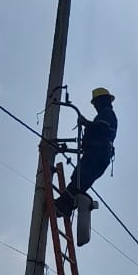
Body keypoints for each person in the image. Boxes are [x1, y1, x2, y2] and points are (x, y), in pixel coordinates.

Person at [54, 87, 117, 217]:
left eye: (96, 103)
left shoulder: (107, 113)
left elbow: (102, 127)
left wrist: (86, 123)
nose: (95, 107)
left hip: (98, 152)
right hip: (102, 154)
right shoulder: (105, 114)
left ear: (102, 101)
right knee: (82, 182)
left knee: (80, 177)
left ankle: (61, 204)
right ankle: (66, 206)